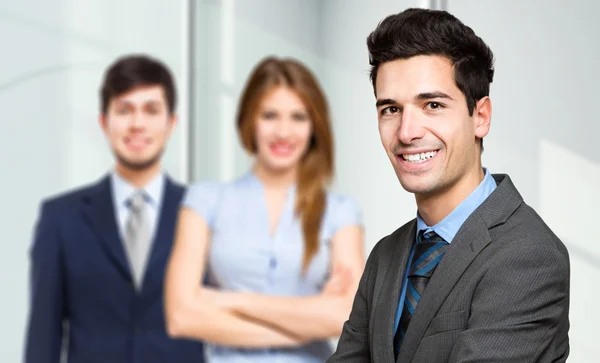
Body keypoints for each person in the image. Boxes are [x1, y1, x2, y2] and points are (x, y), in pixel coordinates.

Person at [327, 8, 570, 363]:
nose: (407, 132)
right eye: (390, 109)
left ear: (481, 117)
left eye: (433, 105)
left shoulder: (527, 256)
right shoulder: (386, 255)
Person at [164, 56, 365, 363]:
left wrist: (228, 301)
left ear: (314, 126)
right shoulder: (204, 200)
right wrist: (305, 324)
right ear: (250, 120)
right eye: (270, 115)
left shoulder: (340, 212)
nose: (284, 132)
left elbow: (349, 316)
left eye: (298, 117)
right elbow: (181, 316)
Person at [24, 54, 205, 363]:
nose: (137, 124)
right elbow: (43, 335)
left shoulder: (202, 213)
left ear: (171, 122)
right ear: (104, 123)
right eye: (124, 110)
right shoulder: (61, 219)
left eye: (151, 110)